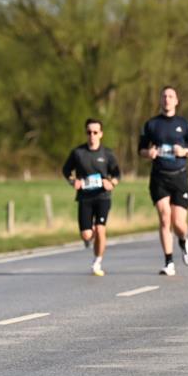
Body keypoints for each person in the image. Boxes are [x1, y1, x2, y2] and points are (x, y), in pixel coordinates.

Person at [138, 85, 188, 276]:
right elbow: (140, 150)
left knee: (179, 223)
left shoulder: (185, 124)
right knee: (165, 217)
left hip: (179, 177)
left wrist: (184, 152)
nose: (167, 99)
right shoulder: (151, 124)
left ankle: (183, 240)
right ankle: (169, 262)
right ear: (160, 100)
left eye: (170, 96)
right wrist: (149, 153)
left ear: (176, 101)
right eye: (164, 96)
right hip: (159, 178)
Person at [62, 118, 121, 276]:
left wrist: (112, 183)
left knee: (101, 229)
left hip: (103, 196)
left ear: (101, 134)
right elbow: (66, 171)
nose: (92, 135)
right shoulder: (78, 153)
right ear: (86, 133)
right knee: (87, 234)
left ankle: (97, 261)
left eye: (95, 132)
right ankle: (90, 237)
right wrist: (73, 181)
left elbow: (117, 174)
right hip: (85, 198)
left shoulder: (107, 154)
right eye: (89, 132)